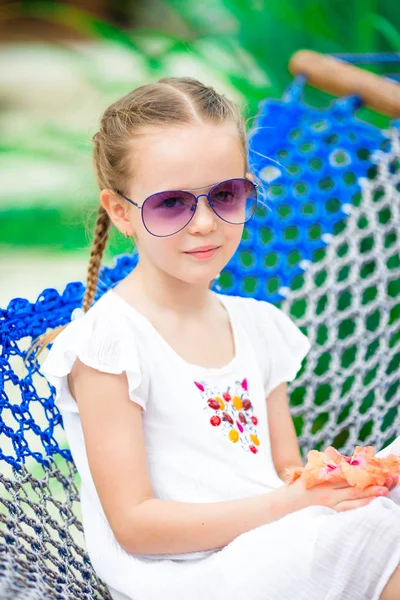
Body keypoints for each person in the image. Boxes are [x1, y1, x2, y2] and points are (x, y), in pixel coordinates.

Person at [33, 77, 400, 600]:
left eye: (226, 195)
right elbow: (136, 525)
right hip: (191, 574)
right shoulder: (109, 343)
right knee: (371, 533)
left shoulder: (258, 326)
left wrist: (335, 483)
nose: (204, 223)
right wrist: (293, 505)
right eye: (170, 204)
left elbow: (283, 471)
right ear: (121, 213)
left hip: (277, 541)